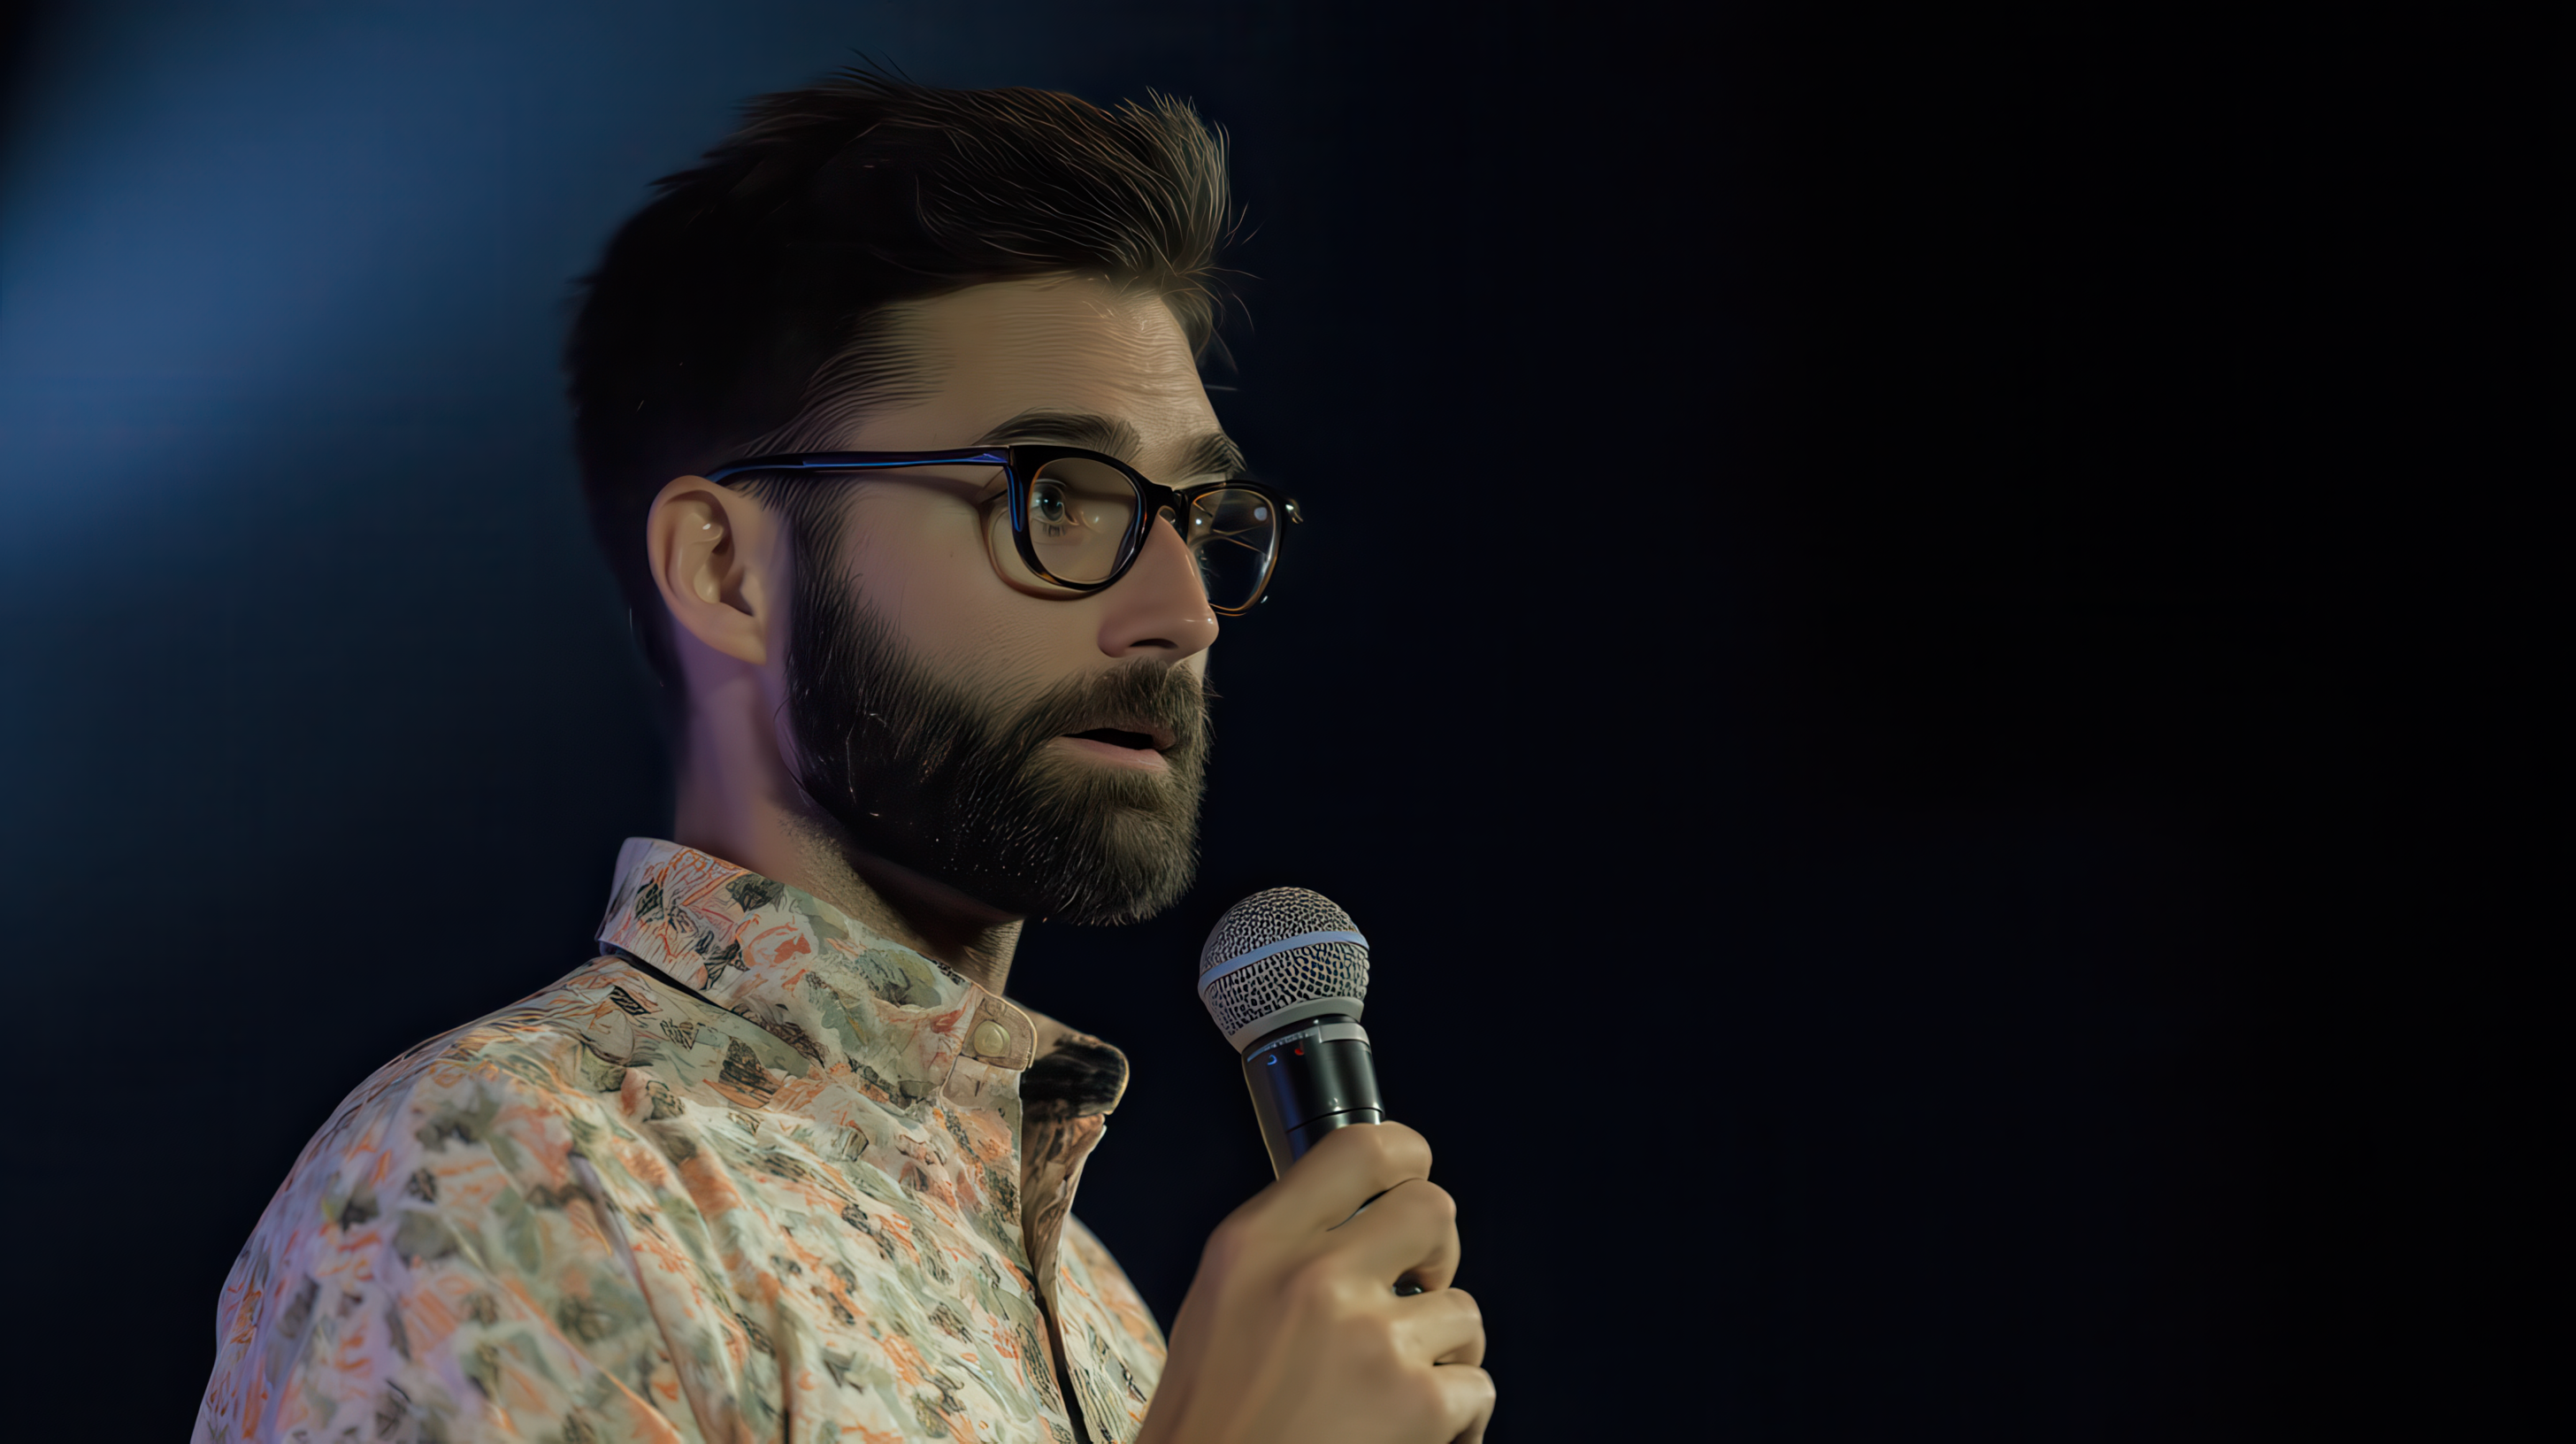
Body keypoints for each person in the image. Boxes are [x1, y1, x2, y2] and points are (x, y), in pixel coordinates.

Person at [193, 70, 1491, 1444]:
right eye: (1055, 495)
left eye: (1200, 516)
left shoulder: (1104, 1310)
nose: (1182, 613)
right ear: (727, 573)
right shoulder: (500, 1174)